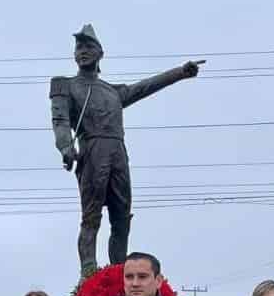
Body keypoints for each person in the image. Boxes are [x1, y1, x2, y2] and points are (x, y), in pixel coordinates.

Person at [49, 23, 202, 275]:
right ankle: (89, 275)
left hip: (118, 152)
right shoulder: (65, 85)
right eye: (78, 47)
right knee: (91, 217)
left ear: (100, 53)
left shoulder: (112, 92)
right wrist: (65, 146)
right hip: (92, 149)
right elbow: (60, 121)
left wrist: (180, 73)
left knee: (121, 218)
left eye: (88, 46)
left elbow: (146, 86)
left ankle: (119, 272)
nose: (82, 51)